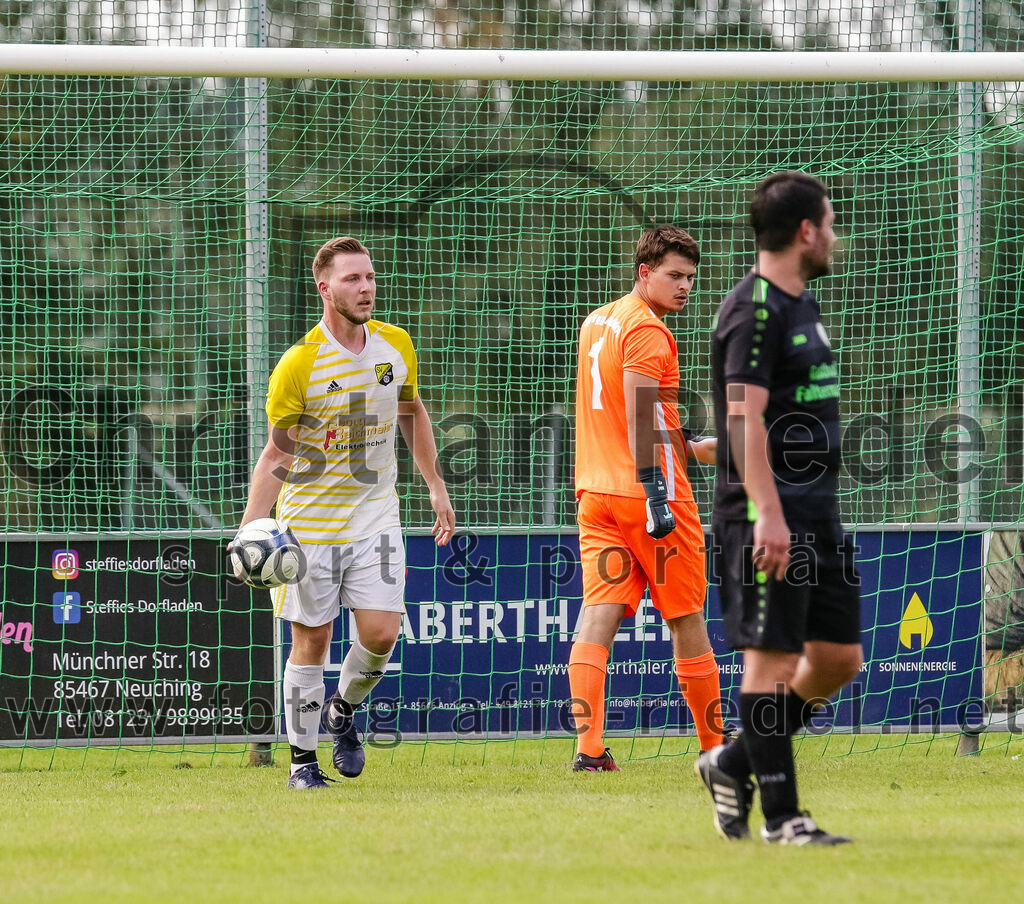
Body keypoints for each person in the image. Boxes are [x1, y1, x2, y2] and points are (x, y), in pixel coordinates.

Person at [236, 236, 456, 790]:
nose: (366, 288)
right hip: (308, 522)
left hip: (376, 515)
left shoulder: (395, 345)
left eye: (370, 277)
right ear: (325, 288)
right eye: (353, 279)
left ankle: (341, 709)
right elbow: (277, 453)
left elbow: (412, 412)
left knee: (382, 633)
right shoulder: (299, 364)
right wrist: (249, 528)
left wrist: (435, 483)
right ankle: (302, 763)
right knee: (312, 639)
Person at [697, 172, 863, 844]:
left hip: (816, 510)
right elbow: (742, 419)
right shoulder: (755, 310)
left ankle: (731, 762)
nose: (833, 234)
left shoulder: (802, 302)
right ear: (805, 232)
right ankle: (784, 818)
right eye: (828, 221)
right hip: (765, 516)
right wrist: (768, 514)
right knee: (767, 668)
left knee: (837, 659)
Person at [569, 224, 723, 772]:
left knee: (598, 615)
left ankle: (589, 751)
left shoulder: (597, 321)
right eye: (674, 276)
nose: (685, 287)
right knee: (687, 617)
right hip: (650, 496)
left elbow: (639, 416)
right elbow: (638, 411)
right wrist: (658, 489)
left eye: (690, 278)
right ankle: (715, 749)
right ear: (645, 273)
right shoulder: (648, 331)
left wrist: (702, 449)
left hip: (597, 493)